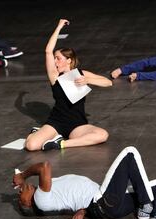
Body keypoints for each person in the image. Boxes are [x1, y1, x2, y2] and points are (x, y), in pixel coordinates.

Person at [13, 146, 156, 219]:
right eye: (20, 195)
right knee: (130, 153)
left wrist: (83, 210)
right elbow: (44, 166)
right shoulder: (40, 200)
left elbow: (74, 197)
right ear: (27, 203)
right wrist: (23, 176)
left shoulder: (49, 192)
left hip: (106, 206)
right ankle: (145, 205)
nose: (20, 190)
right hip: (103, 202)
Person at [25, 19, 112, 151]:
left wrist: (88, 80)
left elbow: (108, 82)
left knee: (102, 135)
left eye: (58, 58)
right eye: (54, 58)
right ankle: (38, 132)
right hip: (56, 122)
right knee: (31, 146)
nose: (55, 62)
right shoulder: (55, 77)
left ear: (69, 60)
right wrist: (59, 27)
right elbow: (48, 51)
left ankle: (60, 143)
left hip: (77, 125)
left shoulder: (82, 74)